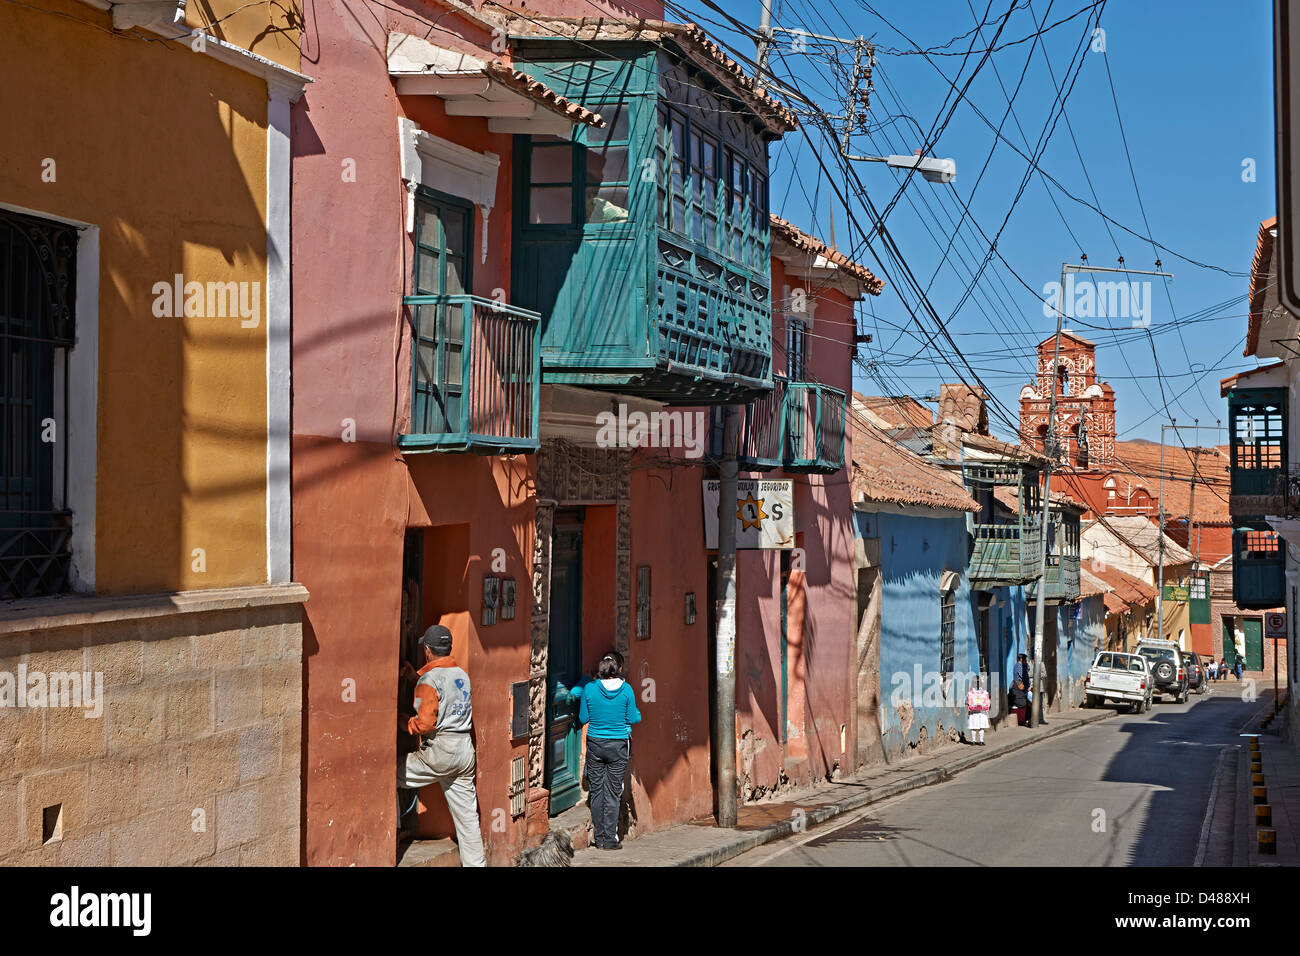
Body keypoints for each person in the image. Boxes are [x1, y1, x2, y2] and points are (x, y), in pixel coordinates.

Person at [397, 624, 486, 867]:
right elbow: (442, 691)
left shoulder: (428, 680)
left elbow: (424, 723)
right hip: (464, 750)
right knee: (468, 820)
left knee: (391, 775)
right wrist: (414, 676)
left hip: (441, 750)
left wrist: (405, 723)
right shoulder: (462, 675)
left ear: (427, 650)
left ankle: (395, 830)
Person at [578, 652, 641, 850]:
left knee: (597, 791)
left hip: (595, 744)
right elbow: (633, 718)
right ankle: (610, 839)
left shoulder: (589, 689)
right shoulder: (627, 690)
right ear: (617, 671)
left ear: (600, 672)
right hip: (618, 745)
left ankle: (599, 837)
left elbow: (583, 717)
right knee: (613, 792)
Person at [965, 679, 991, 745]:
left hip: (973, 712)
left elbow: (967, 702)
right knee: (981, 726)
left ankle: (973, 741)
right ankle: (981, 741)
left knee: (973, 726)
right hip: (982, 712)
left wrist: (970, 705)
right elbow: (988, 702)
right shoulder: (985, 692)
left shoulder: (970, 693)